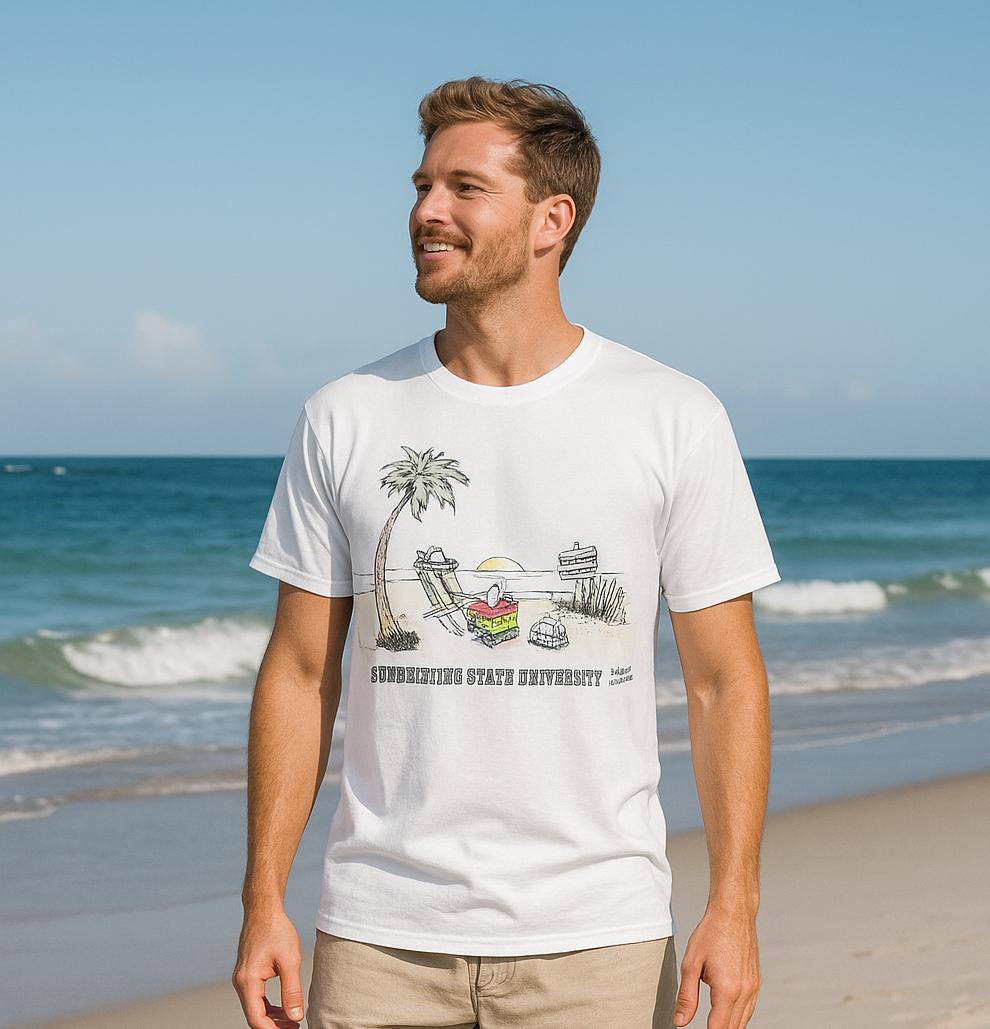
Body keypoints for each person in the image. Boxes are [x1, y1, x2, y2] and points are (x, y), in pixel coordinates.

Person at [233, 77, 779, 1029]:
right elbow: (300, 669)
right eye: (419, 185)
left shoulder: (672, 415)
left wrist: (734, 906)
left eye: (463, 187)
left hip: (597, 940)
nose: (425, 211)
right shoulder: (345, 415)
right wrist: (262, 899)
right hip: (377, 938)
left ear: (550, 219)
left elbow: (724, 680)